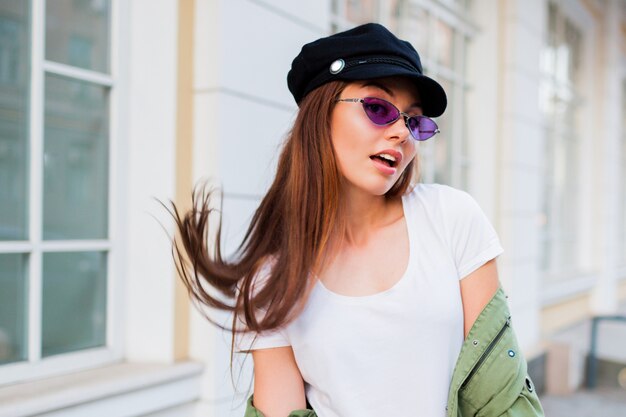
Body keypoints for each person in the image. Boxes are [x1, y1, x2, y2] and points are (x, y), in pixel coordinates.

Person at [171, 23, 544, 417]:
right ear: (320, 116)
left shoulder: (453, 219)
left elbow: (500, 402)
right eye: (378, 108)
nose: (402, 132)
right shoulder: (271, 278)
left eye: (414, 121)